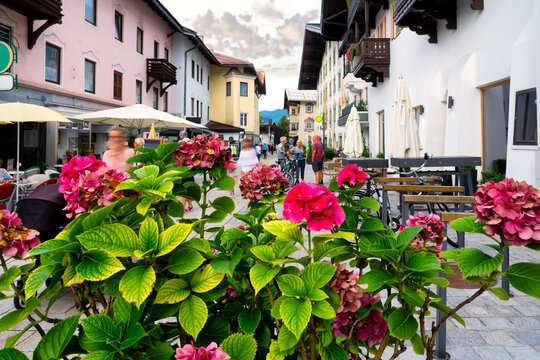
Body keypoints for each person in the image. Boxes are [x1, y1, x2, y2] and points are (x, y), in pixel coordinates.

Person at [178, 130, 194, 212]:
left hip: (182, 167)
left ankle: (183, 207)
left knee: (184, 187)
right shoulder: (191, 142)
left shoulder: (179, 144)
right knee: (187, 186)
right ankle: (190, 205)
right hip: (190, 167)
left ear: (180, 136)